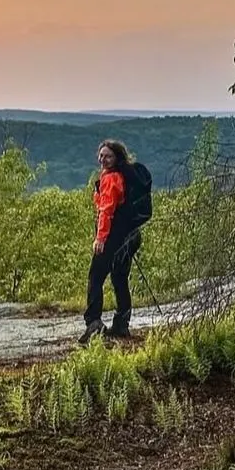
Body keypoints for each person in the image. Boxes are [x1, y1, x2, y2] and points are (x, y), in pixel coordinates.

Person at [80, 138, 142, 345]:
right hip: (130, 236)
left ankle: (93, 322)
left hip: (114, 237)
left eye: (107, 156)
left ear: (117, 158)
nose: (102, 159)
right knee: (119, 278)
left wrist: (100, 238)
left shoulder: (111, 179)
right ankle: (122, 325)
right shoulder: (126, 175)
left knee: (95, 277)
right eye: (101, 155)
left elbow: (106, 211)